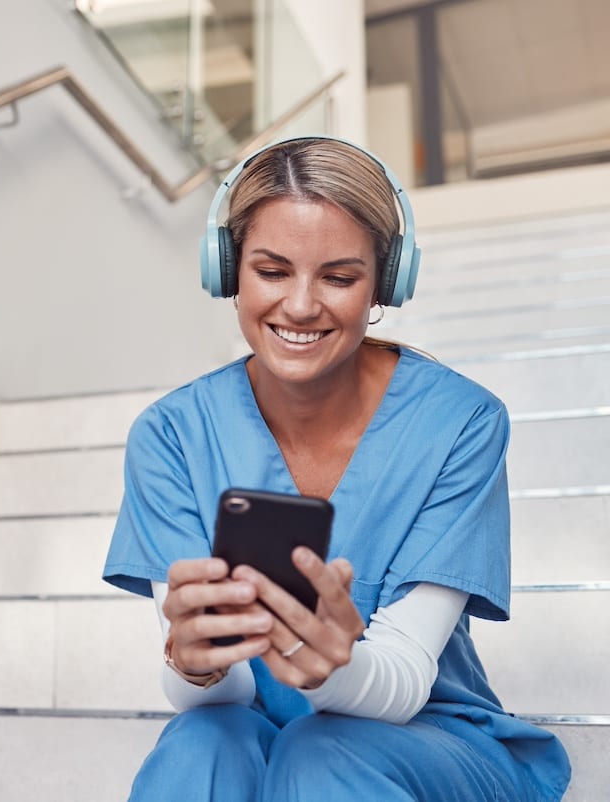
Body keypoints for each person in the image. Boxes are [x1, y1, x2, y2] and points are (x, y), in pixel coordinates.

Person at [102, 137, 571, 801]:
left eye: (339, 278)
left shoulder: (459, 424)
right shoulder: (173, 435)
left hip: (419, 737)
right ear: (227, 270)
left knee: (320, 755)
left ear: (386, 281)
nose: (299, 306)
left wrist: (331, 672)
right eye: (271, 271)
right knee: (200, 746)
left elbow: (406, 680)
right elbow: (214, 696)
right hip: (254, 726)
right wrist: (193, 663)